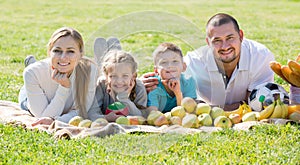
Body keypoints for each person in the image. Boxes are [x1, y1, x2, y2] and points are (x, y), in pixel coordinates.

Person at [142, 13, 275, 111]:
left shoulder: (260, 57)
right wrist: (140, 85)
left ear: (240, 36)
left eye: (230, 38)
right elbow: (169, 73)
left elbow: (256, 103)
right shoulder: (194, 62)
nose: (224, 46)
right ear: (208, 43)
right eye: (217, 40)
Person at [18, 27, 99, 126]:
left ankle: (35, 63)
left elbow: (81, 111)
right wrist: (64, 88)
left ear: (81, 54)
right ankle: (33, 65)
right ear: (49, 52)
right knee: (33, 74)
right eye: (57, 51)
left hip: (55, 102)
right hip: (30, 98)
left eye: (70, 51)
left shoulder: (90, 71)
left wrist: (56, 121)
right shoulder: (32, 73)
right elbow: (43, 117)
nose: (63, 57)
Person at [87, 50, 147, 122]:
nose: (119, 81)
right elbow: (91, 113)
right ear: (106, 76)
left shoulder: (139, 87)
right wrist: (106, 118)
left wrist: (123, 98)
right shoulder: (102, 85)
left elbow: (140, 116)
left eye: (125, 76)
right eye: (113, 76)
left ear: (133, 76)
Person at [147, 42, 196, 113]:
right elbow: (152, 115)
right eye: (164, 62)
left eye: (175, 61)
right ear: (156, 70)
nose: (170, 65)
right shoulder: (153, 86)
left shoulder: (188, 82)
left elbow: (188, 112)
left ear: (184, 67)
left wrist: (178, 93)